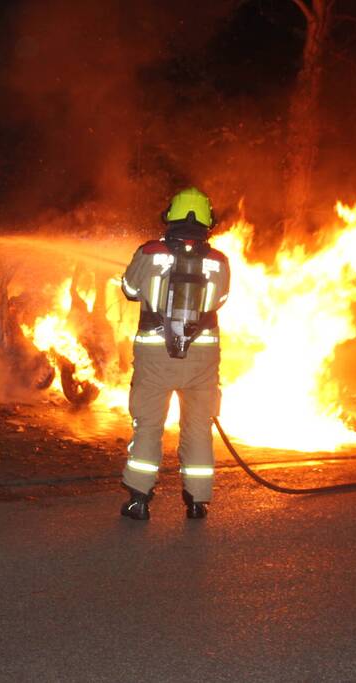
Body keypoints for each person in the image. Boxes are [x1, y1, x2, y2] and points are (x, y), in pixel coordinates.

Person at [119, 187, 230, 520]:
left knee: (149, 425)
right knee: (198, 428)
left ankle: (139, 500)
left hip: (156, 357)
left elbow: (128, 289)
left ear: (170, 217)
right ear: (208, 221)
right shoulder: (218, 260)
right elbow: (221, 300)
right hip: (202, 361)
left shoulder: (150, 252)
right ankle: (198, 502)